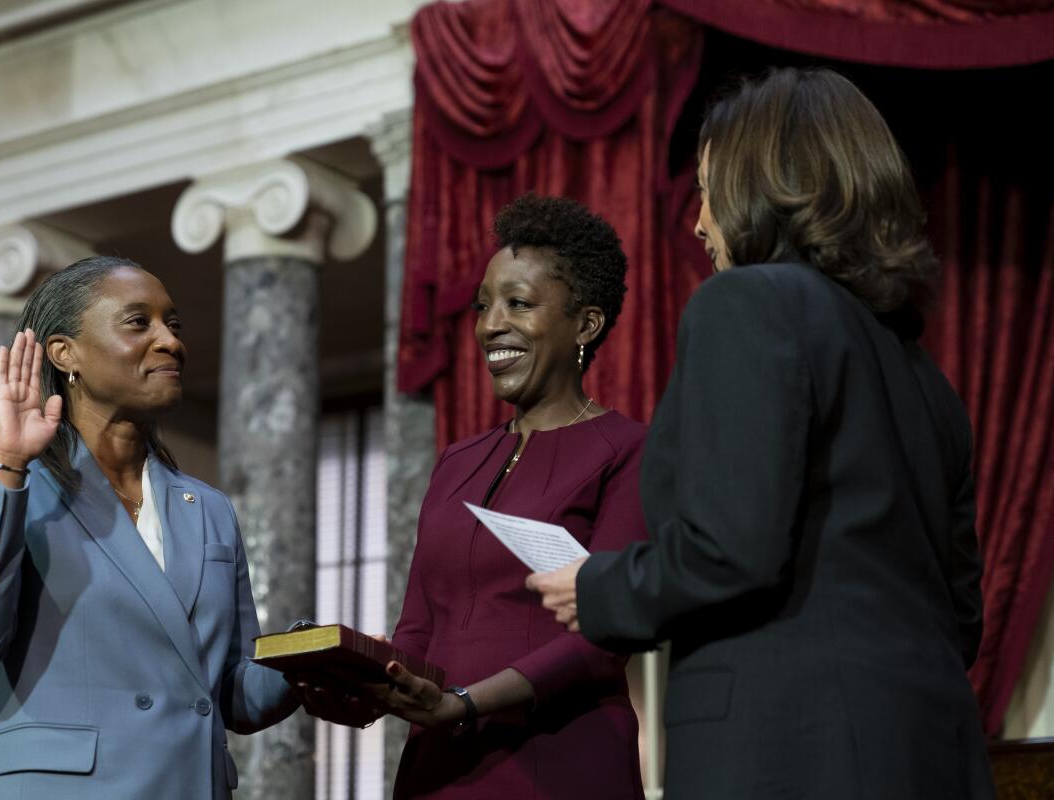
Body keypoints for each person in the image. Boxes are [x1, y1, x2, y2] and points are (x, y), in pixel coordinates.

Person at [528, 68, 995, 799]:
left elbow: (729, 552)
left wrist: (600, 586)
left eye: (709, 191)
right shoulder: (927, 382)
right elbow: (962, 619)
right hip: (931, 750)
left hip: (788, 752)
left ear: (760, 185)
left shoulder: (746, 303)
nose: (699, 222)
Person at [302, 194, 648, 799]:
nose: (491, 325)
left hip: (559, 762)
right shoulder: (456, 461)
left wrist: (463, 704)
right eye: (484, 305)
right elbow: (418, 630)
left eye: (519, 304)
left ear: (586, 324)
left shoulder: (629, 449)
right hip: (441, 764)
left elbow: (604, 637)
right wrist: (376, 687)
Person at [0, 256, 298, 799]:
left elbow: (231, 694)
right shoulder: (6, 478)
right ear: (64, 353)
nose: (170, 341)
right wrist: (8, 460)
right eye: (138, 322)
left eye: (173, 324)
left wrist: (313, 662)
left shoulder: (209, 507)